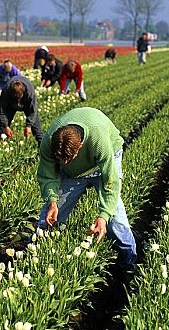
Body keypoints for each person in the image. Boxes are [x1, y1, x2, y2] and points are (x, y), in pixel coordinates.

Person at [36, 107, 137, 280]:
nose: (64, 162)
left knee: (116, 222)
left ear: (80, 146)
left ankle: (128, 267)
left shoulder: (99, 141)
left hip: (103, 163)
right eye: (61, 160)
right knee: (50, 218)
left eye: (68, 158)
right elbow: (47, 174)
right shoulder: (49, 141)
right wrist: (52, 200)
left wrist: (104, 216)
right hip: (74, 174)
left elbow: (110, 182)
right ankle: (34, 257)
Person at [0, 75, 43, 146]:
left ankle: (43, 148)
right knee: (2, 128)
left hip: (26, 105)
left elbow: (33, 111)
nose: (18, 102)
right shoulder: (6, 91)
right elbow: (1, 111)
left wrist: (28, 126)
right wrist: (6, 126)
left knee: (36, 128)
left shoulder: (29, 91)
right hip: (11, 105)